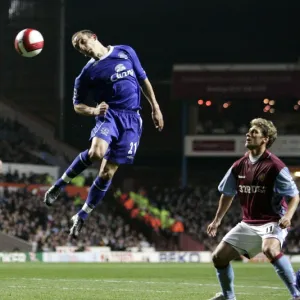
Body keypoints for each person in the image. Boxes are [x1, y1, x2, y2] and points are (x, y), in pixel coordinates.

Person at [44, 29, 164, 238]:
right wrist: (93, 110)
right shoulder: (86, 74)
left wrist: (155, 107)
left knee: (107, 172)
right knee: (97, 153)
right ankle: (59, 185)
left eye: (82, 42)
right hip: (109, 115)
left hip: (132, 119)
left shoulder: (125, 51)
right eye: (77, 47)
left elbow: (143, 80)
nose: (81, 48)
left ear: (93, 37)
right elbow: (77, 105)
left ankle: (82, 215)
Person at [207, 118, 300, 300]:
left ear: (265, 138)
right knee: (218, 257)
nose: (248, 134)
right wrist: (217, 220)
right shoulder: (239, 165)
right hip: (249, 223)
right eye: (249, 131)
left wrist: (288, 217)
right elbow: (227, 193)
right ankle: (228, 297)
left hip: (273, 220)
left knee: (270, 249)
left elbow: (295, 196)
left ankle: (296, 294)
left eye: (254, 132)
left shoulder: (275, 166)